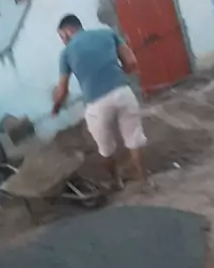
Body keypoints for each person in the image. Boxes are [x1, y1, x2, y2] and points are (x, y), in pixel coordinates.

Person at [52, 14, 147, 188]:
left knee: (106, 149)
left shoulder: (66, 53)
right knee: (134, 138)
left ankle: (117, 182)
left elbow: (63, 90)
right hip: (123, 93)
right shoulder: (107, 34)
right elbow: (132, 62)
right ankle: (144, 180)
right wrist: (117, 76)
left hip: (97, 105)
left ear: (67, 32)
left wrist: (56, 107)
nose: (62, 41)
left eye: (61, 36)